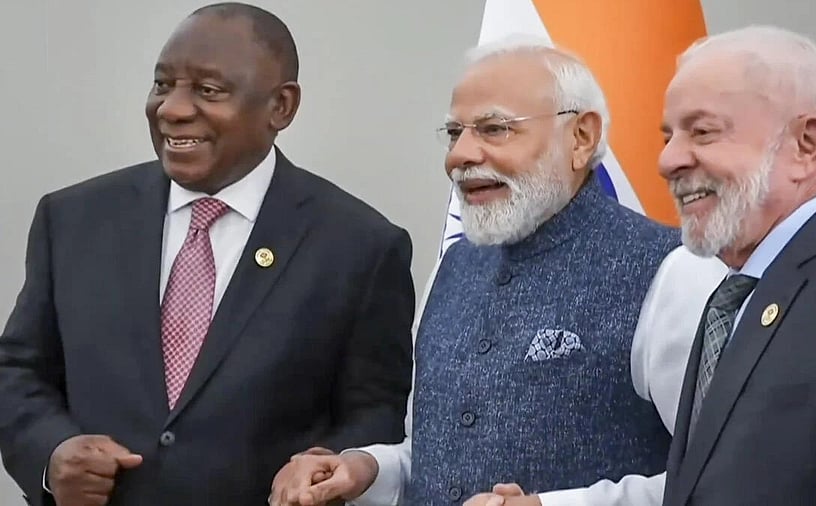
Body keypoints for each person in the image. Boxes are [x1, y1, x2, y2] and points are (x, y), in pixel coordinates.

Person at [268, 37, 727, 506]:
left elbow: (723, 475)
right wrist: (365, 468)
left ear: (581, 137)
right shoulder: (455, 265)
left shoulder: (674, 271)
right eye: (454, 133)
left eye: (494, 129)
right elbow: (438, 452)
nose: (459, 156)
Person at [0, 3, 414, 505]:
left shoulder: (360, 248)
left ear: (281, 107)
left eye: (208, 90)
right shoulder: (73, 220)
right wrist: (50, 453)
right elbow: (17, 371)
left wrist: (326, 469)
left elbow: (374, 415)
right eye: (162, 84)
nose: (171, 109)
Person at [657, 26, 816, 505]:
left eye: (702, 131)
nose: (668, 160)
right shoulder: (734, 297)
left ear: (807, 145)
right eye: (668, 137)